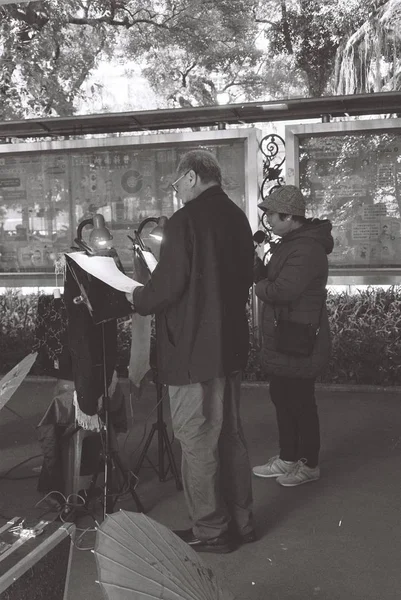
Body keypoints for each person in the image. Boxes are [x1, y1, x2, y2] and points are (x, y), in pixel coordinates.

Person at [126, 149, 255, 553]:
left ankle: (210, 531)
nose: (176, 190)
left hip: (191, 352)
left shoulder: (186, 221)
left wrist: (138, 295)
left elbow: (167, 289)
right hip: (229, 348)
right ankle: (242, 522)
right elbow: (247, 275)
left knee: (196, 439)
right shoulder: (237, 217)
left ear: (193, 177)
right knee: (230, 435)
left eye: (177, 183)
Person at [252, 185, 333, 487]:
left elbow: (281, 290)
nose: (268, 220)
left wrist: (258, 284)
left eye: (272, 214)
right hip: (286, 336)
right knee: (283, 397)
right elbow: (275, 281)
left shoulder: (306, 248)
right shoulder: (290, 243)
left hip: (299, 339)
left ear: (288, 216)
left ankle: (309, 464)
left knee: (299, 401)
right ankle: (288, 458)